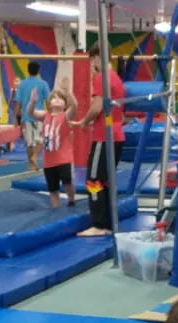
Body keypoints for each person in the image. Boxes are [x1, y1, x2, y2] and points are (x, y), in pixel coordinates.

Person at [70, 46, 126, 236]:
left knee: (93, 180)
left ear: (96, 58)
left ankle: (99, 225)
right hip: (117, 135)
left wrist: (84, 121)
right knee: (105, 181)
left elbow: (97, 106)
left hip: (104, 136)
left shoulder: (101, 77)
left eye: (91, 60)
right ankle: (108, 223)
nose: (91, 65)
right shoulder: (116, 77)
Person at [26, 81, 77, 208]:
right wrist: (32, 101)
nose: (57, 100)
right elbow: (30, 113)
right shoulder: (45, 115)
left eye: (60, 99)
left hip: (64, 157)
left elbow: (75, 107)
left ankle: (71, 199)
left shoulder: (65, 116)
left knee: (67, 181)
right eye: (54, 98)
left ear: (65, 104)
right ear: (49, 104)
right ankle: (56, 207)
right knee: (53, 188)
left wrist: (68, 92)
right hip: (49, 160)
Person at [15, 62, 52, 171]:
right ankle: (34, 158)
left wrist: (15, 118)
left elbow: (18, 102)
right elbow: (48, 101)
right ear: (38, 70)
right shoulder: (43, 84)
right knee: (40, 141)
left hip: (26, 116)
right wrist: (50, 114)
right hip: (38, 116)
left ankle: (31, 162)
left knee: (29, 142)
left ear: (28, 70)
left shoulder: (22, 84)